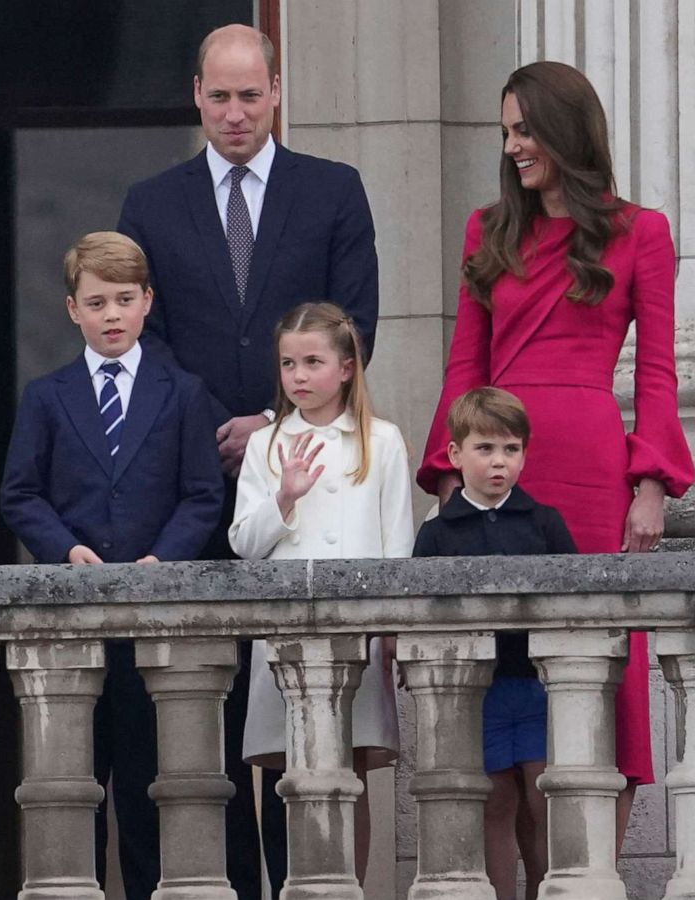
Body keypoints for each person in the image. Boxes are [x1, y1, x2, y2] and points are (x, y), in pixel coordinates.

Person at [116, 24, 380, 896]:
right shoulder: (151, 203)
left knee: (299, 719)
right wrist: (213, 429)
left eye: (251, 95)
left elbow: (355, 325)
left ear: (277, 92)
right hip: (191, 489)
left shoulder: (332, 190)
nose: (236, 113)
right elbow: (141, 343)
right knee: (205, 712)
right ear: (196, 94)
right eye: (220, 96)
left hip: (304, 479)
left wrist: (271, 423)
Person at [416, 61, 694, 849]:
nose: (512, 147)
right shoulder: (487, 229)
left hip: (593, 465)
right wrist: (449, 479)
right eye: (507, 132)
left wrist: (650, 485)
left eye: (524, 129)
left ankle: (590, 870)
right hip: (501, 460)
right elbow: (464, 365)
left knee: (605, 663)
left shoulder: (643, 230)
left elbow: (657, 372)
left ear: (564, 130)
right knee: (506, 667)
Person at [0, 231, 222, 897]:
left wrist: (166, 556)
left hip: (155, 623)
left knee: (153, 786)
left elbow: (203, 493)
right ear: (72, 310)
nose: (112, 315)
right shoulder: (47, 395)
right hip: (74, 623)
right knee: (74, 788)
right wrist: (65, 548)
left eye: (125, 299)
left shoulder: (182, 392)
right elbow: (19, 492)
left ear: (148, 302)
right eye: (97, 302)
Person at [229, 301, 410, 889]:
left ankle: (347, 889)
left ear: (348, 366)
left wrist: (393, 634)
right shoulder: (267, 442)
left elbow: (397, 550)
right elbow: (244, 544)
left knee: (348, 775)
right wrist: (284, 496)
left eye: (313, 361)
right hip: (285, 636)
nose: (299, 376)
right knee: (292, 777)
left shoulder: (382, 441)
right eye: (288, 364)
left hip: (357, 633)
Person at [414, 388, 576, 900]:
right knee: (495, 804)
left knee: (543, 798)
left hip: (536, 689)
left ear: (525, 453)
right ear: (456, 455)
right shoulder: (437, 534)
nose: (499, 461)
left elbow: (577, 597)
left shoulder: (544, 522)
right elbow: (419, 612)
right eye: (485, 449)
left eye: (510, 449)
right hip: (474, 697)